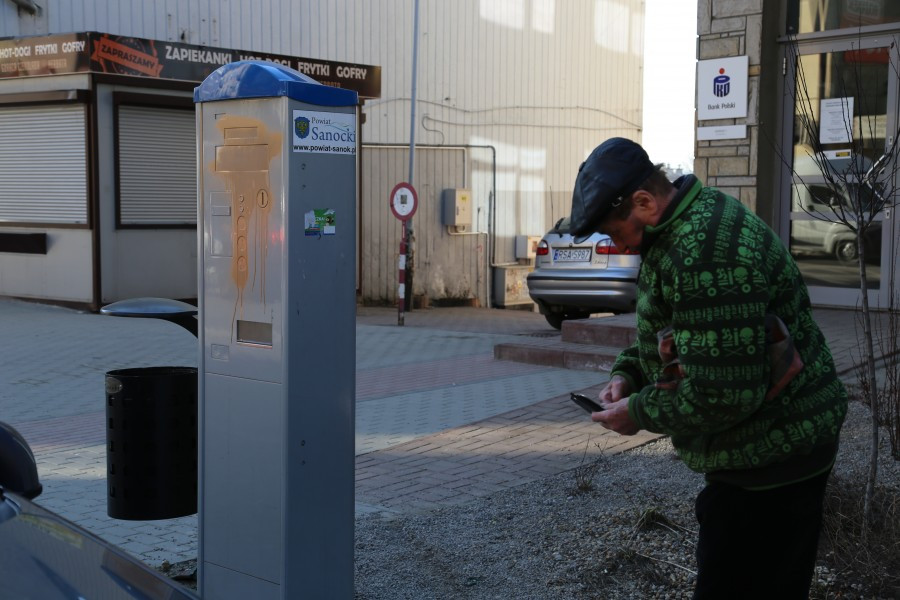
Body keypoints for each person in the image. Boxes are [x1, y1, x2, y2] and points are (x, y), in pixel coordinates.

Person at [568, 137, 848, 599]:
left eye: (614, 233)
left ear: (643, 202)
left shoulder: (705, 254)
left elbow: (722, 393)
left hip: (773, 464)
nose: (615, 245)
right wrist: (628, 375)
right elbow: (668, 334)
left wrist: (638, 412)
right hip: (762, 453)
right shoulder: (682, 228)